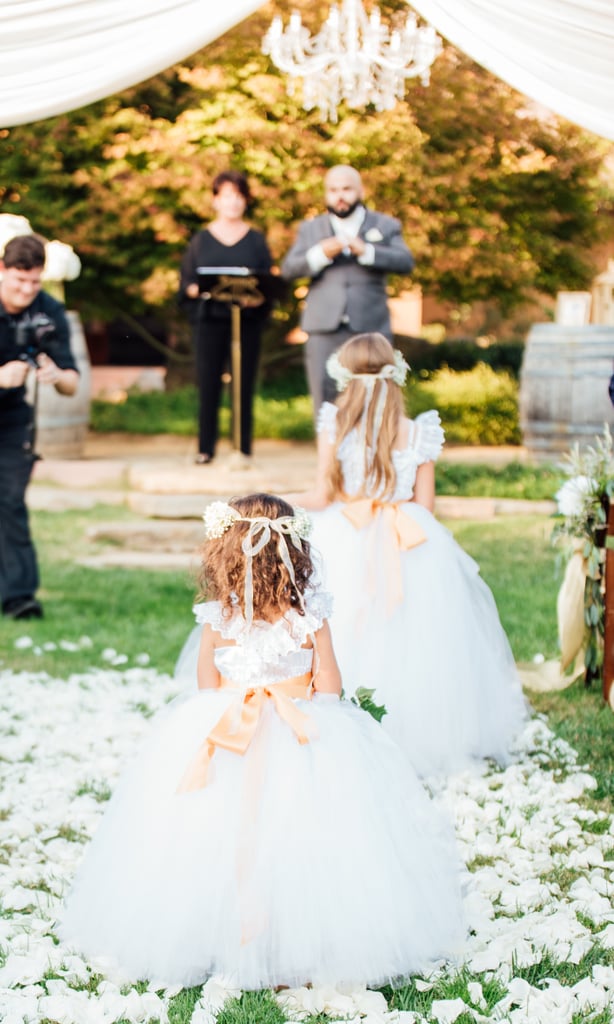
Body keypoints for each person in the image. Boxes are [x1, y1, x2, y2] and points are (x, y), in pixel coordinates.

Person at [59, 493, 464, 990]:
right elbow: (330, 684)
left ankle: (218, 936)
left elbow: (206, 685)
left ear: (227, 551)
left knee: (214, 838)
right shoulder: (312, 615)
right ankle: (300, 939)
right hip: (301, 735)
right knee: (305, 839)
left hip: (227, 733)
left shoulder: (219, 619)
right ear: (295, 554)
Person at [285, 333, 527, 778]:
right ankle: (421, 733)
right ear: (396, 375)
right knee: (420, 638)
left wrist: (276, 501)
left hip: (345, 531)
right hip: (411, 540)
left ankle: (342, 726)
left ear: (345, 377)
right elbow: (424, 506)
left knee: (346, 625)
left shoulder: (334, 423)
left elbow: (322, 494)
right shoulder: (419, 432)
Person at [281, 165, 414, 416]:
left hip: (370, 326)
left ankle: (371, 454)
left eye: (346, 189)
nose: (340, 196)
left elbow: (406, 261)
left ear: (360, 191)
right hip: (323, 327)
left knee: (374, 402)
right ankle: (328, 456)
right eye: (333, 190)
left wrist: (367, 252)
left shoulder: (385, 225)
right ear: (326, 194)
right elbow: (289, 269)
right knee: (325, 405)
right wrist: (320, 254)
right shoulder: (311, 229)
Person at [0, 234, 79, 620]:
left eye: (35, 281)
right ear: (2, 270)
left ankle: (19, 598)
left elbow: (72, 383)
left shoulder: (49, 311)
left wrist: (55, 374)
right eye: (19, 281)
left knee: (10, 503)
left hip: (14, 420)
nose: (28, 290)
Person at [179, 170, 272, 465]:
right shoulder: (201, 241)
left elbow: (268, 283)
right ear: (215, 200)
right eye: (227, 196)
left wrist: (253, 297)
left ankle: (242, 447)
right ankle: (205, 447)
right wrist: (200, 289)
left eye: (239, 196)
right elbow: (187, 282)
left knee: (243, 383)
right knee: (208, 382)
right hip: (210, 320)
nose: (233, 202)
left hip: (244, 322)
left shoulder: (256, 240)